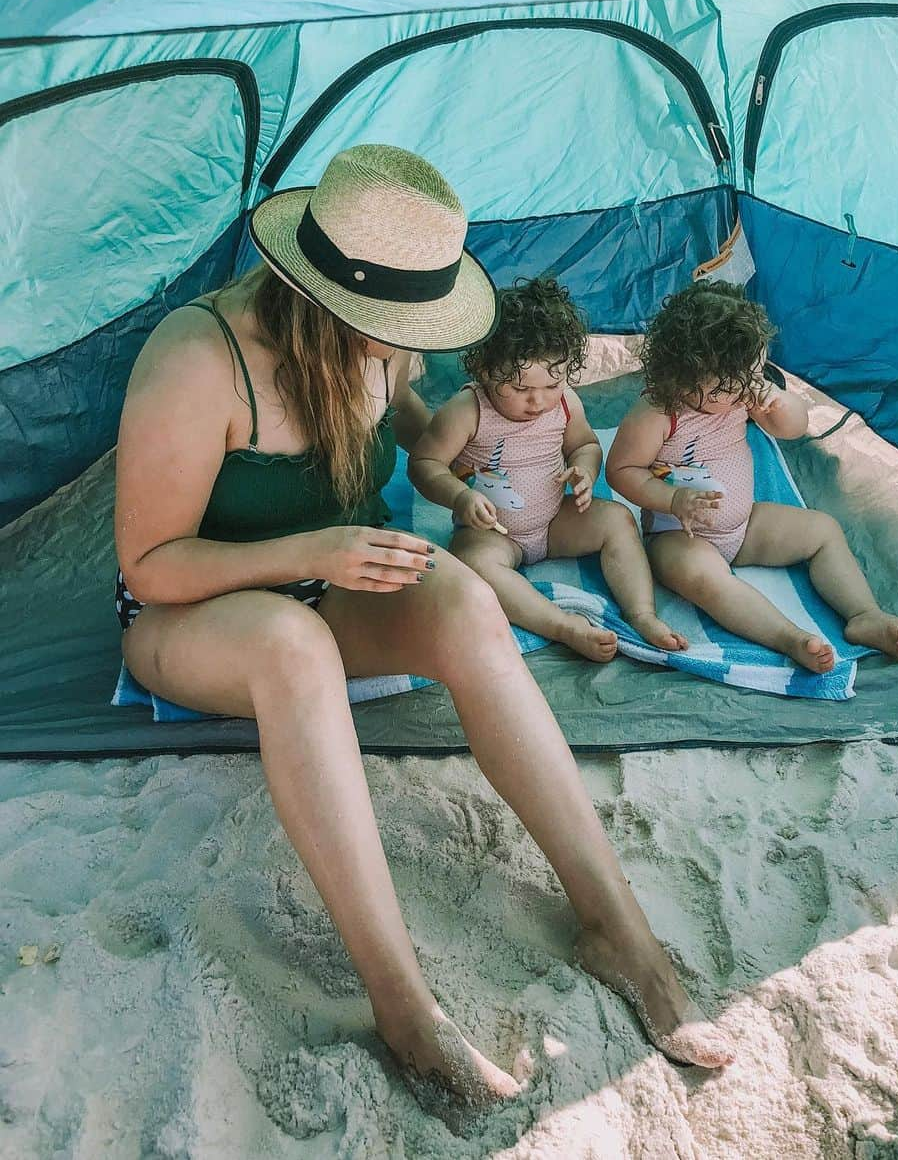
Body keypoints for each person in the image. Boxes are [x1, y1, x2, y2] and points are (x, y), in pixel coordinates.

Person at [115, 145, 731, 1105]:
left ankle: (620, 931)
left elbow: (403, 418)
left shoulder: (382, 339)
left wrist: (490, 465)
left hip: (330, 573)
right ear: (322, 298)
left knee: (463, 599)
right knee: (293, 646)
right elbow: (148, 566)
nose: (403, 345)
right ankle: (402, 1004)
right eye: (390, 328)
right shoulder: (200, 360)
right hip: (193, 610)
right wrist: (311, 554)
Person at [606, 281, 898, 673]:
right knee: (704, 578)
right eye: (731, 384)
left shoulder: (743, 393)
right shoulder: (657, 414)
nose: (746, 389)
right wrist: (671, 500)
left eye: (754, 372)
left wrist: (777, 401)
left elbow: (793, 428)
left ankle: (863, 613)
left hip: (744, 524)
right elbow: (621, 471)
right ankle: (789, 637)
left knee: (822, 530)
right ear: (683, 378)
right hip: (678, 535)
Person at [407, 277, 686, 661]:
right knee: (473, 566)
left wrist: (584, 471)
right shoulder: (467, 411)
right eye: (521, 389)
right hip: (493, 532)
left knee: (619, 519)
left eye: (552, 385)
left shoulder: (566, 403)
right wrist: (460, 495)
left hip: (555, 521)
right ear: (486, 371)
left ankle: (642, 614)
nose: (538, 401)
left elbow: (585, 445)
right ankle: (562, 625)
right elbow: (423, 464)